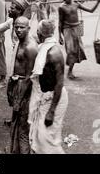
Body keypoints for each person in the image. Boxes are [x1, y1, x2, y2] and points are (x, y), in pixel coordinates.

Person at [28, 20, 68, 154]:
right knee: (40, 138)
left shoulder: (53, 53)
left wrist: (51, 111)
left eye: (37, 32)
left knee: (48, 140)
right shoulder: (45, 47)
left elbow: (59, 83)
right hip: (45, 97)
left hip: (54, 99)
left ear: (40, 34)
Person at [7, 16, 38, 154]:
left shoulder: (30, 47)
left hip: (25, 91)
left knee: (23, 129)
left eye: (22, 27)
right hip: (17, 86)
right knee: (17, 124)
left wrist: (19, 99)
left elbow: (29, 77)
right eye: (16, 27)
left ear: (29, 28)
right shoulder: (20, 42)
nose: (18, 30)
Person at [58, 0, 100, 79]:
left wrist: (98, 2)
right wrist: (59, 36)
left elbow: (91, 11)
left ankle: (70, 70)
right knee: (70, 51)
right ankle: (68, 71)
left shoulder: (76, 4)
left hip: (76, 28)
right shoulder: (61, 7)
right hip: (67, 29)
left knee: (76, 50)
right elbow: (60, 22)